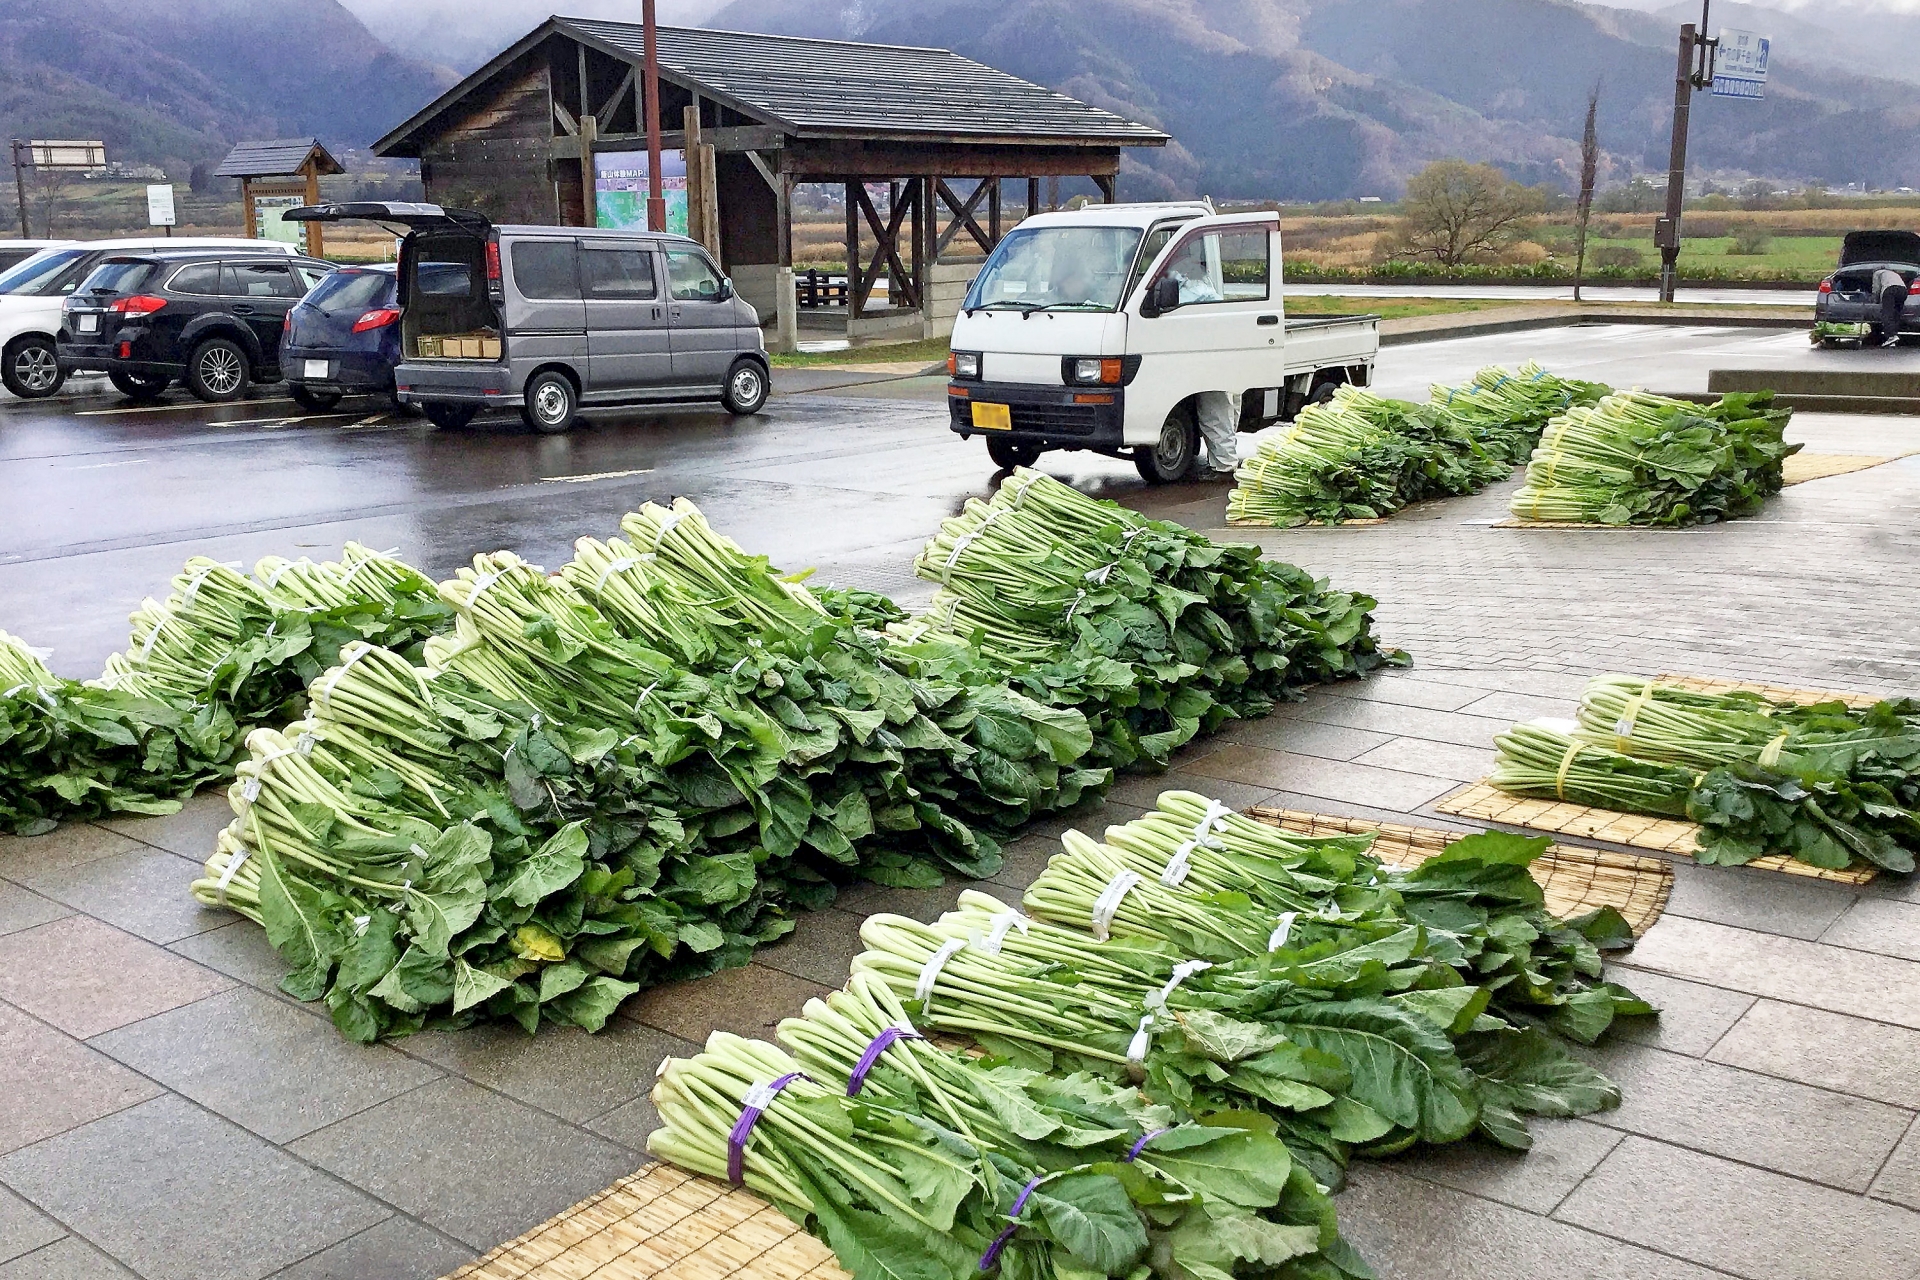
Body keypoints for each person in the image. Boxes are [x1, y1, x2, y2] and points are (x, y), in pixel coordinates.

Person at [1874, 266, 1908, 348]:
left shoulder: (1877, 273)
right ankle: (1894, 336)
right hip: (1903, 290)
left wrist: (1876, 300)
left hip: (1890, 290)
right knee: (1896, 314)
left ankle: (1891, 336)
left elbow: (1876, 288)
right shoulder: (1894, 273)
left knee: (1887, 314)